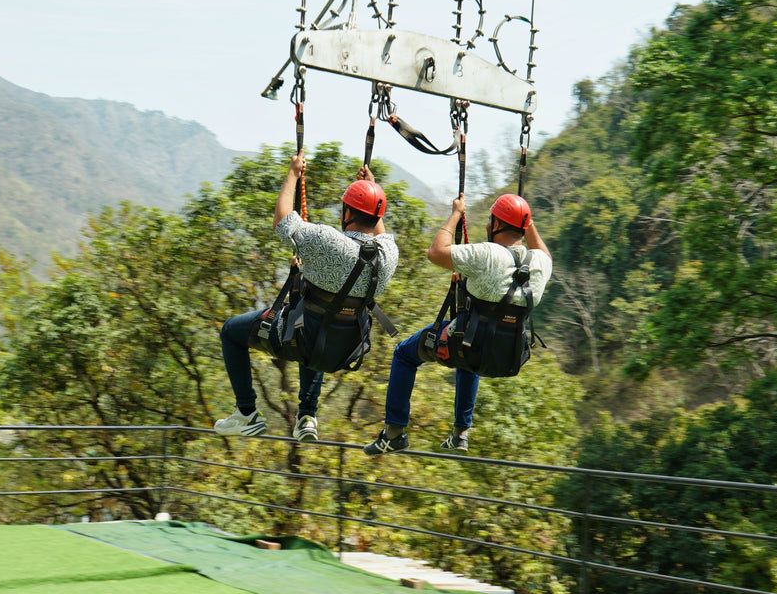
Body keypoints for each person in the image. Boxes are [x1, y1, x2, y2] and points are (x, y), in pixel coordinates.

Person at [215, 148, 399, 442]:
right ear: (378, 215)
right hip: (344, 348)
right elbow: (381, 236)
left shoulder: (327, 241)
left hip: (300, 339)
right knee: (318, 322)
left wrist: (293, 173)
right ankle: (307, 417)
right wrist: (373, 191)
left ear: (347, 213)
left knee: (231, 331)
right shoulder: (389, 254)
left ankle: (246, 413)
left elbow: (283, 222)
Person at [363, 193, 551, 456]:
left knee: (404, 355)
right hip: (507, 353)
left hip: (465, 345)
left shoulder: (488, 254)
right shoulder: (541, 263)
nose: (487, 225)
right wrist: (526, 221)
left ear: (496, 224)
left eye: (490, 220)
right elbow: (541, 250)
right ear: (524, 227)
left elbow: (435, 253)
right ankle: (460, 434)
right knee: (470, 352)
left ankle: (394, 433)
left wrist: (455, 214)